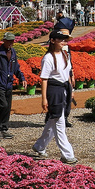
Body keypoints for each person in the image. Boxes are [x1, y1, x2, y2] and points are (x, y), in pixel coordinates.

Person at [32, 30, 78, 164]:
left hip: (64, 89)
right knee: (59, 123)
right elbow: (44, 79)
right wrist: (44, 98)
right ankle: (68, 155)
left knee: (54, 120)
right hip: (54, 90)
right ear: (53, 40)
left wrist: (71, 90)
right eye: (61, 39)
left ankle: (39, 146)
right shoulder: (48, 58)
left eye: (66, 39)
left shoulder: (65, 55)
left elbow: (67, 73)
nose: (64, 41)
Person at [0, 32, 25, 139]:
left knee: (8, 108)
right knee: (3, 106)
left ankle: (4, 129)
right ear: (4, 41)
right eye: (9, 41)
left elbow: (16, 68)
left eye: (12, 41)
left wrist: (22, 79)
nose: (11, 43)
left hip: (9, 84)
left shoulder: (13, 52)